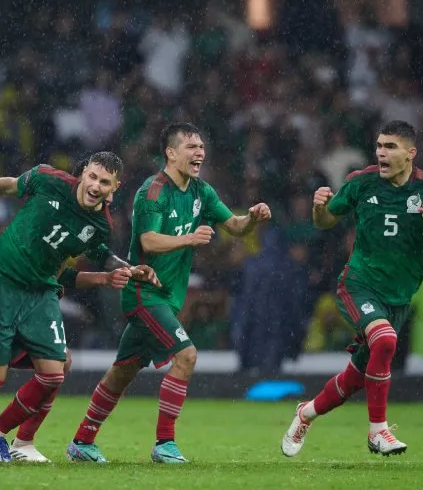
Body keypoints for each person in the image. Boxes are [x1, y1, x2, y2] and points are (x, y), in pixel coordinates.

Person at [67, 122, 271, 464]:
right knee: (186, 355)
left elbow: (234, 226)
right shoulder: (153, 191)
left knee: (122, 371)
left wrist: (251, 218)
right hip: (143, 293)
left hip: (168, 298)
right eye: (191, 146)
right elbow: (148, 241)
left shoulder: (201, 191)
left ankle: (82, 441)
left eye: (201, 146)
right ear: (171, 153)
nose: (199, 152)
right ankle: (165, 443)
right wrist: (190, 238)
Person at [0, 152, 155, 463]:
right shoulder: (49, 179)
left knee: (55, 372)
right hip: (1, 280)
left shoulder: (100, 224)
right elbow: (11, 185)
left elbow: (93, 257)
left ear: (114, 188)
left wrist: (127, 269)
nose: (95, 186)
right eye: (92, 177)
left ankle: (2, 435)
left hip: (39, 293)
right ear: (83, 173)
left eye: (104, 182)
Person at [281, 120, 423, 457]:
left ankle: (305, 413)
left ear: (411, 153)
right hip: (359, 283)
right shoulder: (361, 183)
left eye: (390, 147)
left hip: (400, 296)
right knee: (385, 340)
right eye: (379, 146)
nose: (381, 152)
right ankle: (378, 431)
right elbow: (325, 221)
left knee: (356, 377)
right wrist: (319, 207)